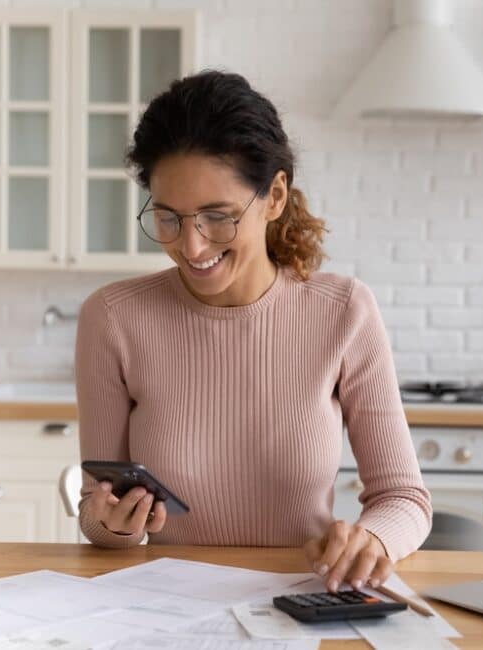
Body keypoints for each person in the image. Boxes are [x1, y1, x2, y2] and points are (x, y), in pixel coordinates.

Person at [75, 70, 431, 593]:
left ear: (276, 195)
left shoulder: (343, 311)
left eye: (217, 217)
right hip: (166, 608)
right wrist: (112, 523)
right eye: (169, 218)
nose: (192, 247)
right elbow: (96, 516)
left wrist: (372, 540)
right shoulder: (113, 317)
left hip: (302, 600)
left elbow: (404, 498)